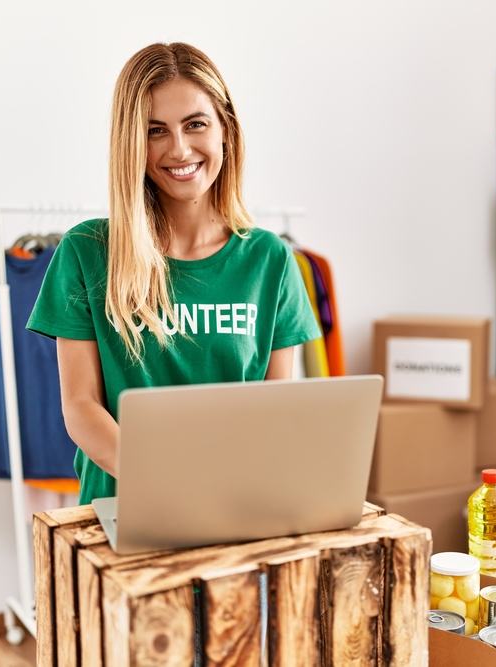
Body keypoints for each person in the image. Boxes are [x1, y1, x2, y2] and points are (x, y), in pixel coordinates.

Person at [27, 43, 322, 506]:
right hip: (122, 511)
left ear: (226, 128)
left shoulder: (270, 259)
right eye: (155, 130)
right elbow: (81, 407)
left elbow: (275, 413)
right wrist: (163, 483)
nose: (179, 148)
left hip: (237, 509)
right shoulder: (87, 251)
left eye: (196, 124)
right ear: (132, 143)